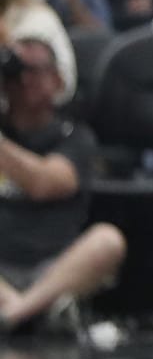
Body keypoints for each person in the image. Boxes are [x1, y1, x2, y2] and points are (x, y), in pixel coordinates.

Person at [0, 37, 127, 335]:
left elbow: (46, 183)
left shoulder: (74, 136)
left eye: (35, 71)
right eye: (18, 72)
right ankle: (25, 308)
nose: (25, 81)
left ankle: (16, 311)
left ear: (57, 80)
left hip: (52, 266)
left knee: (107, 240)